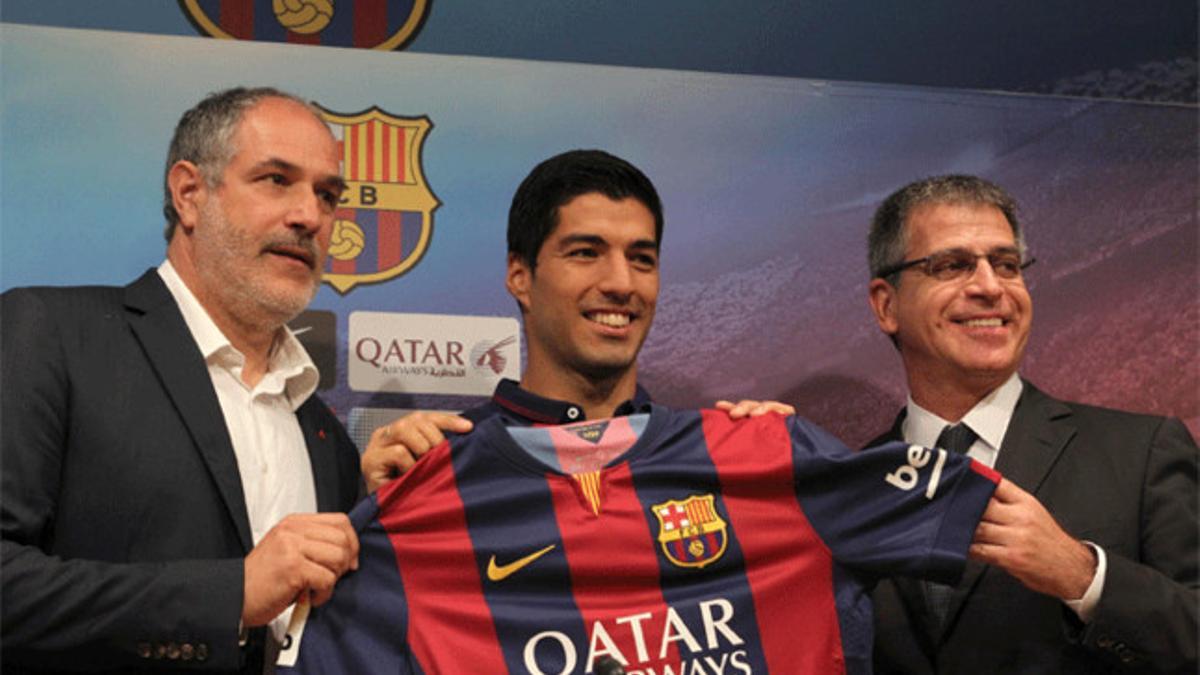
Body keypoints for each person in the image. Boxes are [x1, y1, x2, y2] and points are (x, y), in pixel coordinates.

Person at [279, 150, 1001, 674]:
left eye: (643, 258)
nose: (620, 282)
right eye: (586, 253)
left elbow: (994, 521)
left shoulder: (758, 454)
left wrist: (1083, 572)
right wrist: (386, 506)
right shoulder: (427, 485)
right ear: (520, 277)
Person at [1, 87, 362, 673]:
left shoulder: (327, 438)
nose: (310, 216)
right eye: (276, 180)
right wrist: (228, 595)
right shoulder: (49, 334)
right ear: (190, 193)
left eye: (328, 194)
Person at [864, 174, 1198, 674]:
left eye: (1007, 265)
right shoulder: (853, 483)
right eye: (953, 265)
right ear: (887, 305)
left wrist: (1084, 577)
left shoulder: (1142, 453)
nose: (990, 287)